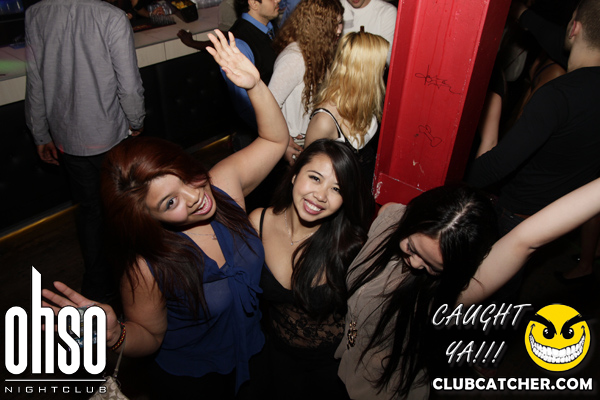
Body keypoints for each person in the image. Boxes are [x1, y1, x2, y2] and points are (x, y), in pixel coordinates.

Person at [42, 29, 289, 399]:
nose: (196, 196)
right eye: (170, 203)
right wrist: (116, 333)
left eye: (187, 176)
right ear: (149, 219)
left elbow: (274, 140)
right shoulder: (146, 263)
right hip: (197, 383)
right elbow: (150, 336)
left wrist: (254, 86)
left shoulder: (221, 187)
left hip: (256, 354)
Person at [335, 175, 600, 399]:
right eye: (411, 248)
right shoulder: (390, 215)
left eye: (432, 266)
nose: (415, 263)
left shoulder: (447, 294)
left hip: (379, 390)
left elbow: (526, 240)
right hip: (343, 358)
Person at [467, 0, 600, 295]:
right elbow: (551, 36)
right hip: (555, 217)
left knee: (485, 285)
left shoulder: (557, 95)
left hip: (516, 213)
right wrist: (521, 13)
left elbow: (498, 165)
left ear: (574, 28)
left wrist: (451, 182)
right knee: (510, 281)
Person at [24, 0, 145, 303]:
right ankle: (136, 287)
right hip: (110, 136)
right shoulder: (111, 16)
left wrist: (40, 132)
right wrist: (137, 121)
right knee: (126, 209)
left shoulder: (37, 13)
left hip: (68, 138)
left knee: (91, 211)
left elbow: (35, 80)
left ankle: (97, 287)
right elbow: (129, 86)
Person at [248, 139, 371, 399]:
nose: (321, 196)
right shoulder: (258, 222)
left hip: (330, 365)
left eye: (336, 189)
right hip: (276, 354)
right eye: (315, 178)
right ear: (294, 175)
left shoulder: (350, 247)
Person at [178, 0, 280, 137]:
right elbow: (246, 107)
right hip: (261, 133)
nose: (278, 0)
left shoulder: (270, 28)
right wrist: (276, 133)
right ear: (254, 3)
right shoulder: (239, 43)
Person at [305, 31, 388, 186]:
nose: (385, 68)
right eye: (382, 65)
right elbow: (308, 173)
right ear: (367, 71)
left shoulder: (368, 101)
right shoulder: (325, 120)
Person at [268, 0, 344, 164]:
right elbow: (268, 106)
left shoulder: (319, 50)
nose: (339, 29)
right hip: (295, 143)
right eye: (334, 24)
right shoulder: (294, 58)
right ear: (318, 25)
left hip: (310, 138)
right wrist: (285, 142)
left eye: (340, 23)